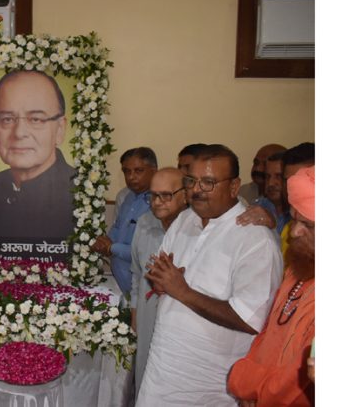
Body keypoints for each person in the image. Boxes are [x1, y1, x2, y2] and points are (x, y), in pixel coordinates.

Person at [137, 144, 282, 406]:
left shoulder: (254, 239)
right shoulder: (184, 221)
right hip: (162, 373)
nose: (196, 190)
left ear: (234, 187)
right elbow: (161, 272)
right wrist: (162, 282)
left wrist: (182, 291)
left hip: (210, 386)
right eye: (191, 181)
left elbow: (250, 319)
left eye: (208, 182)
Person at [228, 165, 315, 406]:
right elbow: (271, 330)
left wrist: (255, 389)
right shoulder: (300, 267)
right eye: (294, 219)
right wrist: (247, 381)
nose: (295, 232)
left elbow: (301, 379)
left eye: (308, 225)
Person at [0, 70, 75, 259]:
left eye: (36, 119)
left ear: (60, 129)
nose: (20, 132)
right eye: (7, 119)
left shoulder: (81, 192)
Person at [129, 167, 187, 397]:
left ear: (184, 195)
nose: (157, 202)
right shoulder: (144, 223)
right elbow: (136, 272)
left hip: (179, 322)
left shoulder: (196, 231)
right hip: (146, 315)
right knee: (143, 375)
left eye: (166, 195)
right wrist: (135, 312)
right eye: (153, 195)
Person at [92, 147, 157, 294]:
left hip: (146, 289)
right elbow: (117, 228)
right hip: (123, 285)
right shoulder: (127, 197)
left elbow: (148, 252)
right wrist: (104, 242)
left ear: (154, 171)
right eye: (127, 171)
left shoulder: (159, 202)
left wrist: (111, 248)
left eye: (138, 171)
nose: (131, 177)